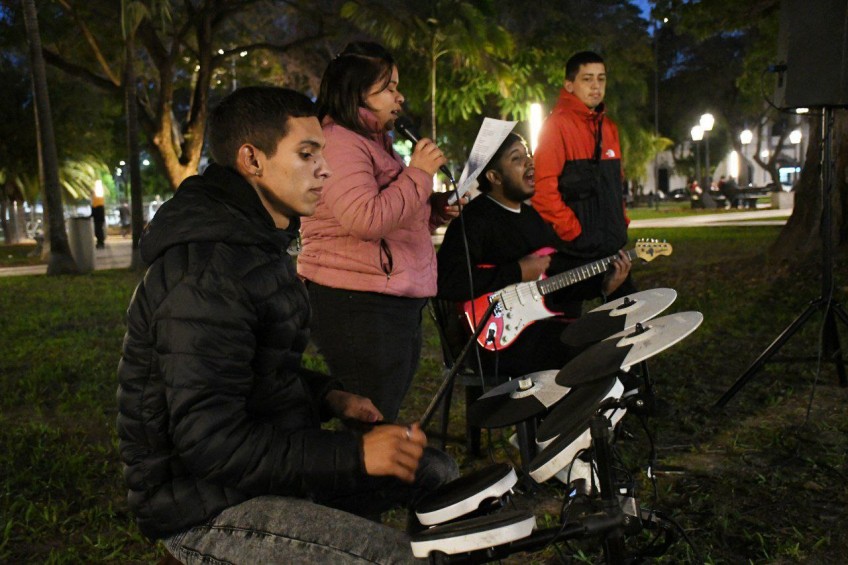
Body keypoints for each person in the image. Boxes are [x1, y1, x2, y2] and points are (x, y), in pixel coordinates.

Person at [117, 86, 458, 564]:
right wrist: (355, 456)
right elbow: (210, 444)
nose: (325, 169)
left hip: (259, 469)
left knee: (434, 471)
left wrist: (328, 396)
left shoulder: (257, 241)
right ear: (252, 160)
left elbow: (253, 369)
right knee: (397, 557)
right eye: (306, 154)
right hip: (205, 504)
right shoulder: (208, 273)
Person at [298, 42, 464, 421]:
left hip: (387, 296)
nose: (399, 97)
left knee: (384, 409)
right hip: (358, 301)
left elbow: (393, 219)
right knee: (372, 418)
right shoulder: (339, 142)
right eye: (388, 88)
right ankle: (363, 463)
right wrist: (418, 173)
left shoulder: (376, 142)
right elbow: (366, 219)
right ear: (357, 93)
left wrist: (436, 209)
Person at [437, 133, 631, 378]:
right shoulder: (473, 221)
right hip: (497, 343)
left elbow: (554, 282)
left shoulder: (532, 219)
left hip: (539, 328)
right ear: (494, 177)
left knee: (614, 342)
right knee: (594, 354)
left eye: (528, 154)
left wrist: (602, 286)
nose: (530, 162)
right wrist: (517, 271)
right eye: (516, 158)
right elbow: (447, 281)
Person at [532, 51, 635, 298]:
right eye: (587, 79)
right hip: (574, 253)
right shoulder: (556, 125)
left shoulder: (608, 127)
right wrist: (573, 232)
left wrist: (621, 222)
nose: (596, 86)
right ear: (569, 85)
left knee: (629, 312)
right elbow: (542, 190)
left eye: (601, 78)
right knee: (576, 318)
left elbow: (615, 183)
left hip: (611, 246)